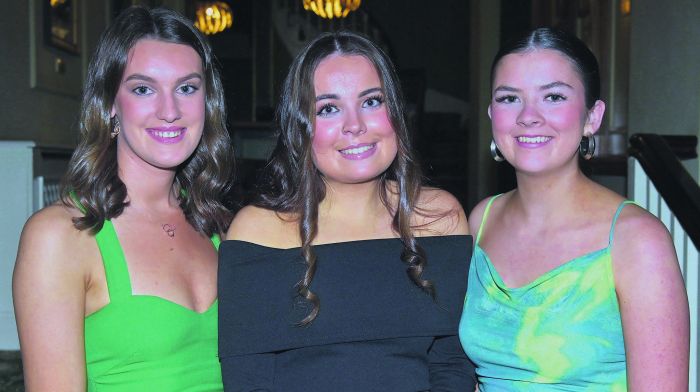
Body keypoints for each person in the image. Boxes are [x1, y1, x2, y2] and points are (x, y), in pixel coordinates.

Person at [218, 31, 475, 391]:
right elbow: (249, 382)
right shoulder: (257, 232)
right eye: (328, 108)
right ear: (300, 129)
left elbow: (451, 366)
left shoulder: (440, 218)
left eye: (371, 102)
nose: (355, 125)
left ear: (396, 114)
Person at [13, 6, 233, 391]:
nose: (170, 111)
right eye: (143, 88)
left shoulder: (220, 226)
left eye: (187, 88)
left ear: (207, 103)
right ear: (111, 104)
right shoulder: (60, 237)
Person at [458, 27, 690, 391]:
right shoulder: (480, 220)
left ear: (592, 117)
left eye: (553, 96)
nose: (528, 116)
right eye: (509, 99)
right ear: (491, 114)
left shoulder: (637, 240)